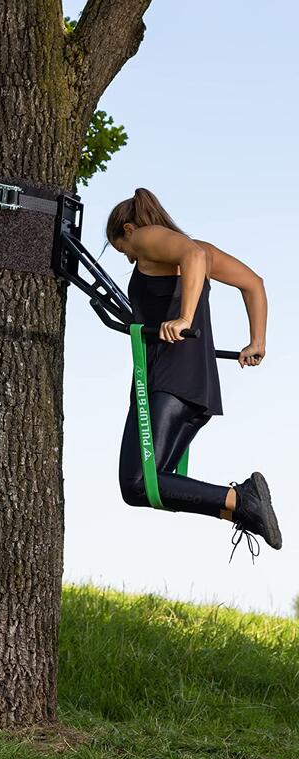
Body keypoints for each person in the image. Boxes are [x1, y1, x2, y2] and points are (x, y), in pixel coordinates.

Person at [106, 188, 281, 564]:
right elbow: (255, 283)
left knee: (137, 483)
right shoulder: (191, 248)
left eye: (123, 249)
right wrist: (257, 340)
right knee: (146, 486)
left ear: (129, 229)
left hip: (169, 379)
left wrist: (184, 319)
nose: (130, 256)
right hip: (195, 387)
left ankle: (242, 498)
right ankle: (239, 510)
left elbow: (194, 255)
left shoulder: (148, 237)